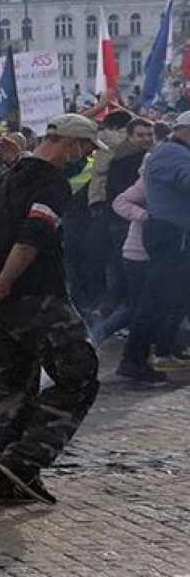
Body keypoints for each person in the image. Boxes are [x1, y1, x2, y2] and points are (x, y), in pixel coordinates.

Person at [0, 115, 102, 506]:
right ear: (69, 143)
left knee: (10, 388)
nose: (87, 156)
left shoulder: (4, 178)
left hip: (1, 303)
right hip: (37, 296)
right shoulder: (51, 184)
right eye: (86, 147)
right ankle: (24, 461)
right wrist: (3, 283)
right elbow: (32, 238)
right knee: (81, 375)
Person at [116, 111, 190, 381]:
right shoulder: (175, 154)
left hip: (169, 232)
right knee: (155, 298)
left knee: (165, 297)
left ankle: (147, 353)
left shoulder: (168, 152)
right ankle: (134, 358)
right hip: (172, 234)